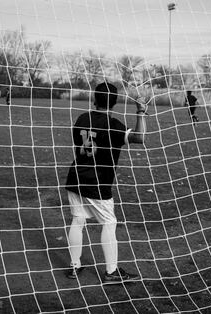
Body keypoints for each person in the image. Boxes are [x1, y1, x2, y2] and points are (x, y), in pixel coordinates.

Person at [65, 82, 148, 283]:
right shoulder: (113, 125)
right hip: (98, 182)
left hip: (76, 177)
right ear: (115, 102)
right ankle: (111, 272)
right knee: (109, 223)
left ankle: (74, 266)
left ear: (94, 99)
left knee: (78, 220)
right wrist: (141, 111)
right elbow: (140, 137)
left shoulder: (82, 118)